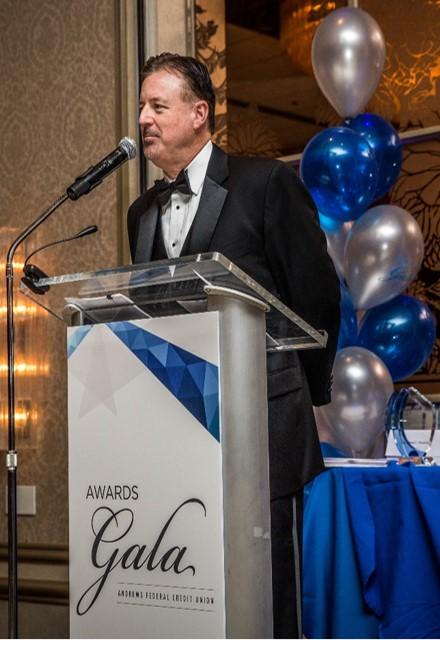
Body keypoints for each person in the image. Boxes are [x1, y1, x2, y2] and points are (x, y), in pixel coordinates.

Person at [128, 52, 340, 638]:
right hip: (179, 430)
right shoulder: (140, 212)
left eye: (157, 106)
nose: (143, 118)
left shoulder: (266, 183)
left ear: (199, 114)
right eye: (141, 106)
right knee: (196, 593)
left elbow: (317, 296)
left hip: (263, 427)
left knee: (269, 599)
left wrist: (304, 394)